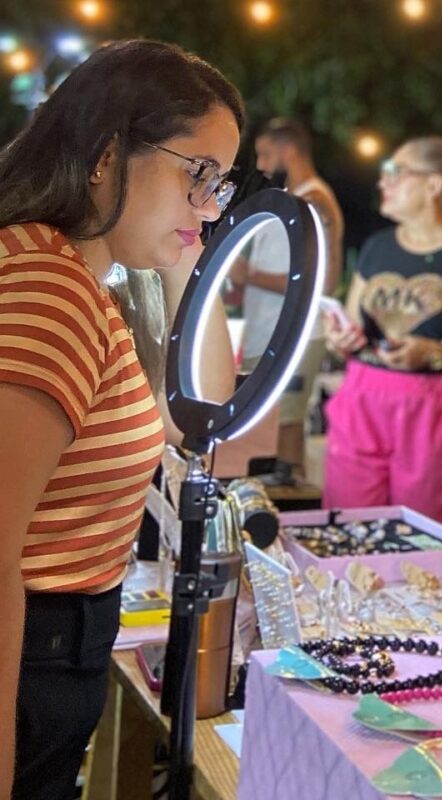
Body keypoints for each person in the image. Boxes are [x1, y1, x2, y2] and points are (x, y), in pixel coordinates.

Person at [0, 40, 241, 800]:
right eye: (197, 174)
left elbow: (200, 409)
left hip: (56, 647)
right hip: (32, 656)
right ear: (106, 154)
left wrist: (182, 245)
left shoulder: (86, 278)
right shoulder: (52, 294)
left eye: (221, 186)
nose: (209, 205)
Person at [323, 137, 442, 527]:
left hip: (434, 409)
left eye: (396, 173)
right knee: (347, 528)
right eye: (384, 173)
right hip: (362, 397)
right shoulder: (377, 247)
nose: (384, 183)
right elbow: (348, 327)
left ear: (434, 185)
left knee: (418, 534)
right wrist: (340, 338)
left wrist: (436, 351)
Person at [229, 117, 345, 479]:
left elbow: (322, 281)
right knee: (268, 427)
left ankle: (292, 510)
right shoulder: (294, 200)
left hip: (296, 336)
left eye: (265, 154)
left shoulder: (315, 202)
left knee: (287, 426)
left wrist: (250, 275)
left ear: (288, 150)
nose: (261, 165)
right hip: (268, 333)